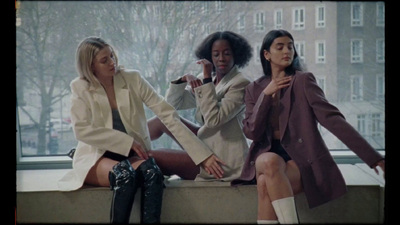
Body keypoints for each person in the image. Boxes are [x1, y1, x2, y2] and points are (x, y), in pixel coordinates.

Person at [231, 29, 385, 224]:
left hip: (301, 158)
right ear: (267, 54)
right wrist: (266, 96)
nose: (287, 50)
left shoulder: (303, 81)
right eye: (280, 47)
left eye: (290, 46)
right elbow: (252, 132)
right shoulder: (254, 89)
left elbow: (333, 120)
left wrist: (372, 157)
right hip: (267, 156)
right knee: (269, 162)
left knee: (263, 183)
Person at [58, 37, 217, 224]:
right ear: (90, 67)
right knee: (125, 177)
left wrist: (202, 154)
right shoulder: (80, 87)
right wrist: (127, 142)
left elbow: (167, 114)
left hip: (130, 154)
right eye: (104, 60)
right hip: (98, 155)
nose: (112, 62)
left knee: (154, 175)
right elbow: (82, 130)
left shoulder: (132, 78)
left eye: (112, 56)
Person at [147, 31, 253, 181]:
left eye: (227, 53)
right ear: (209, 57)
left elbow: (213, 120)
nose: (221, 58)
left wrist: (207, 80)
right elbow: (171, 105)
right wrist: (182, 81)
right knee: (161, 120)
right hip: (206, 143)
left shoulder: (240, 83)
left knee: (152, 156)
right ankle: (125, 147)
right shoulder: (208, 80)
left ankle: (127, 159)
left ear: (236, 55)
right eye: (216, 54)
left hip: (221, 161)